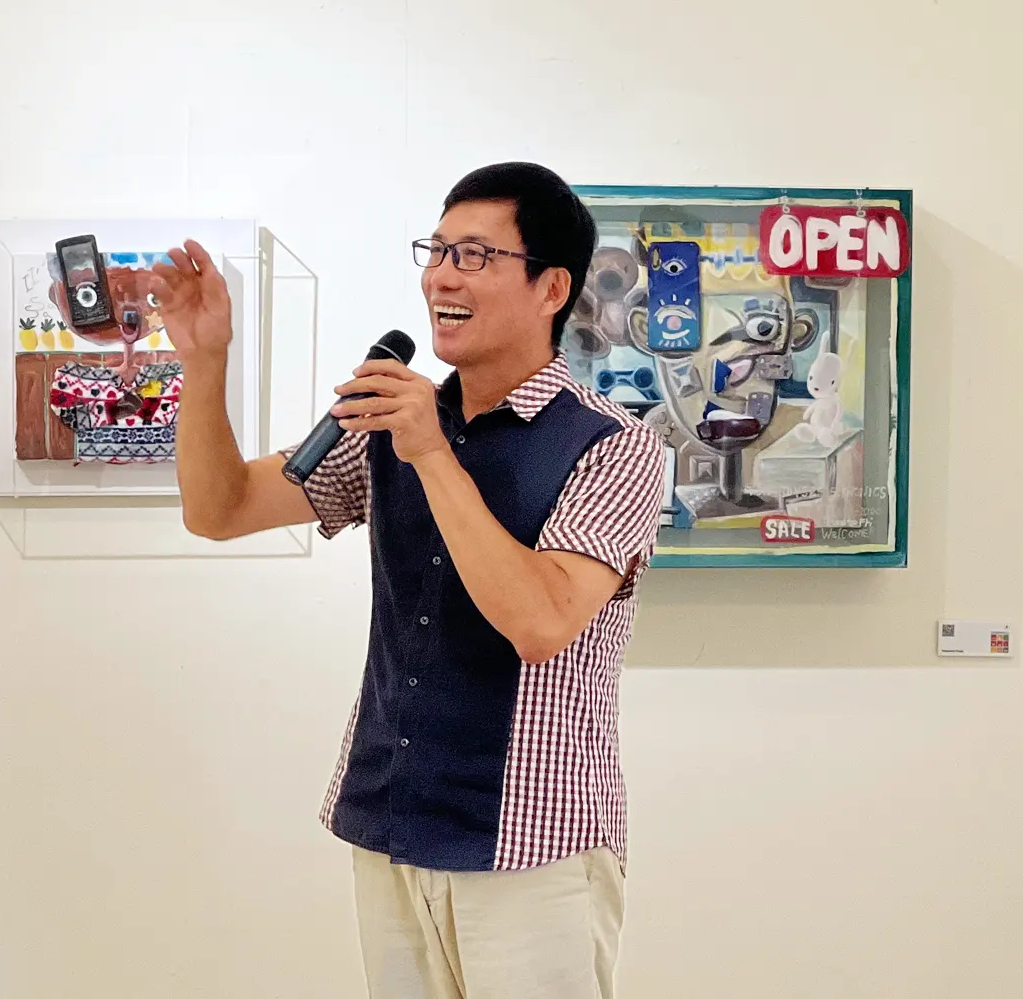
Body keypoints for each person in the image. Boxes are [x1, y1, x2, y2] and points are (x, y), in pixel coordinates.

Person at [150, 162, 665, 998]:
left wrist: (429, 450)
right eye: (437, 250)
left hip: (532, 841)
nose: (442, 277)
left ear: (551, 288)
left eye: (476, 255)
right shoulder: (394, 423)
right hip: (391, 816)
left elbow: (539, 622)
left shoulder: (612, 446)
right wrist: (205, 362)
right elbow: (222, 507)